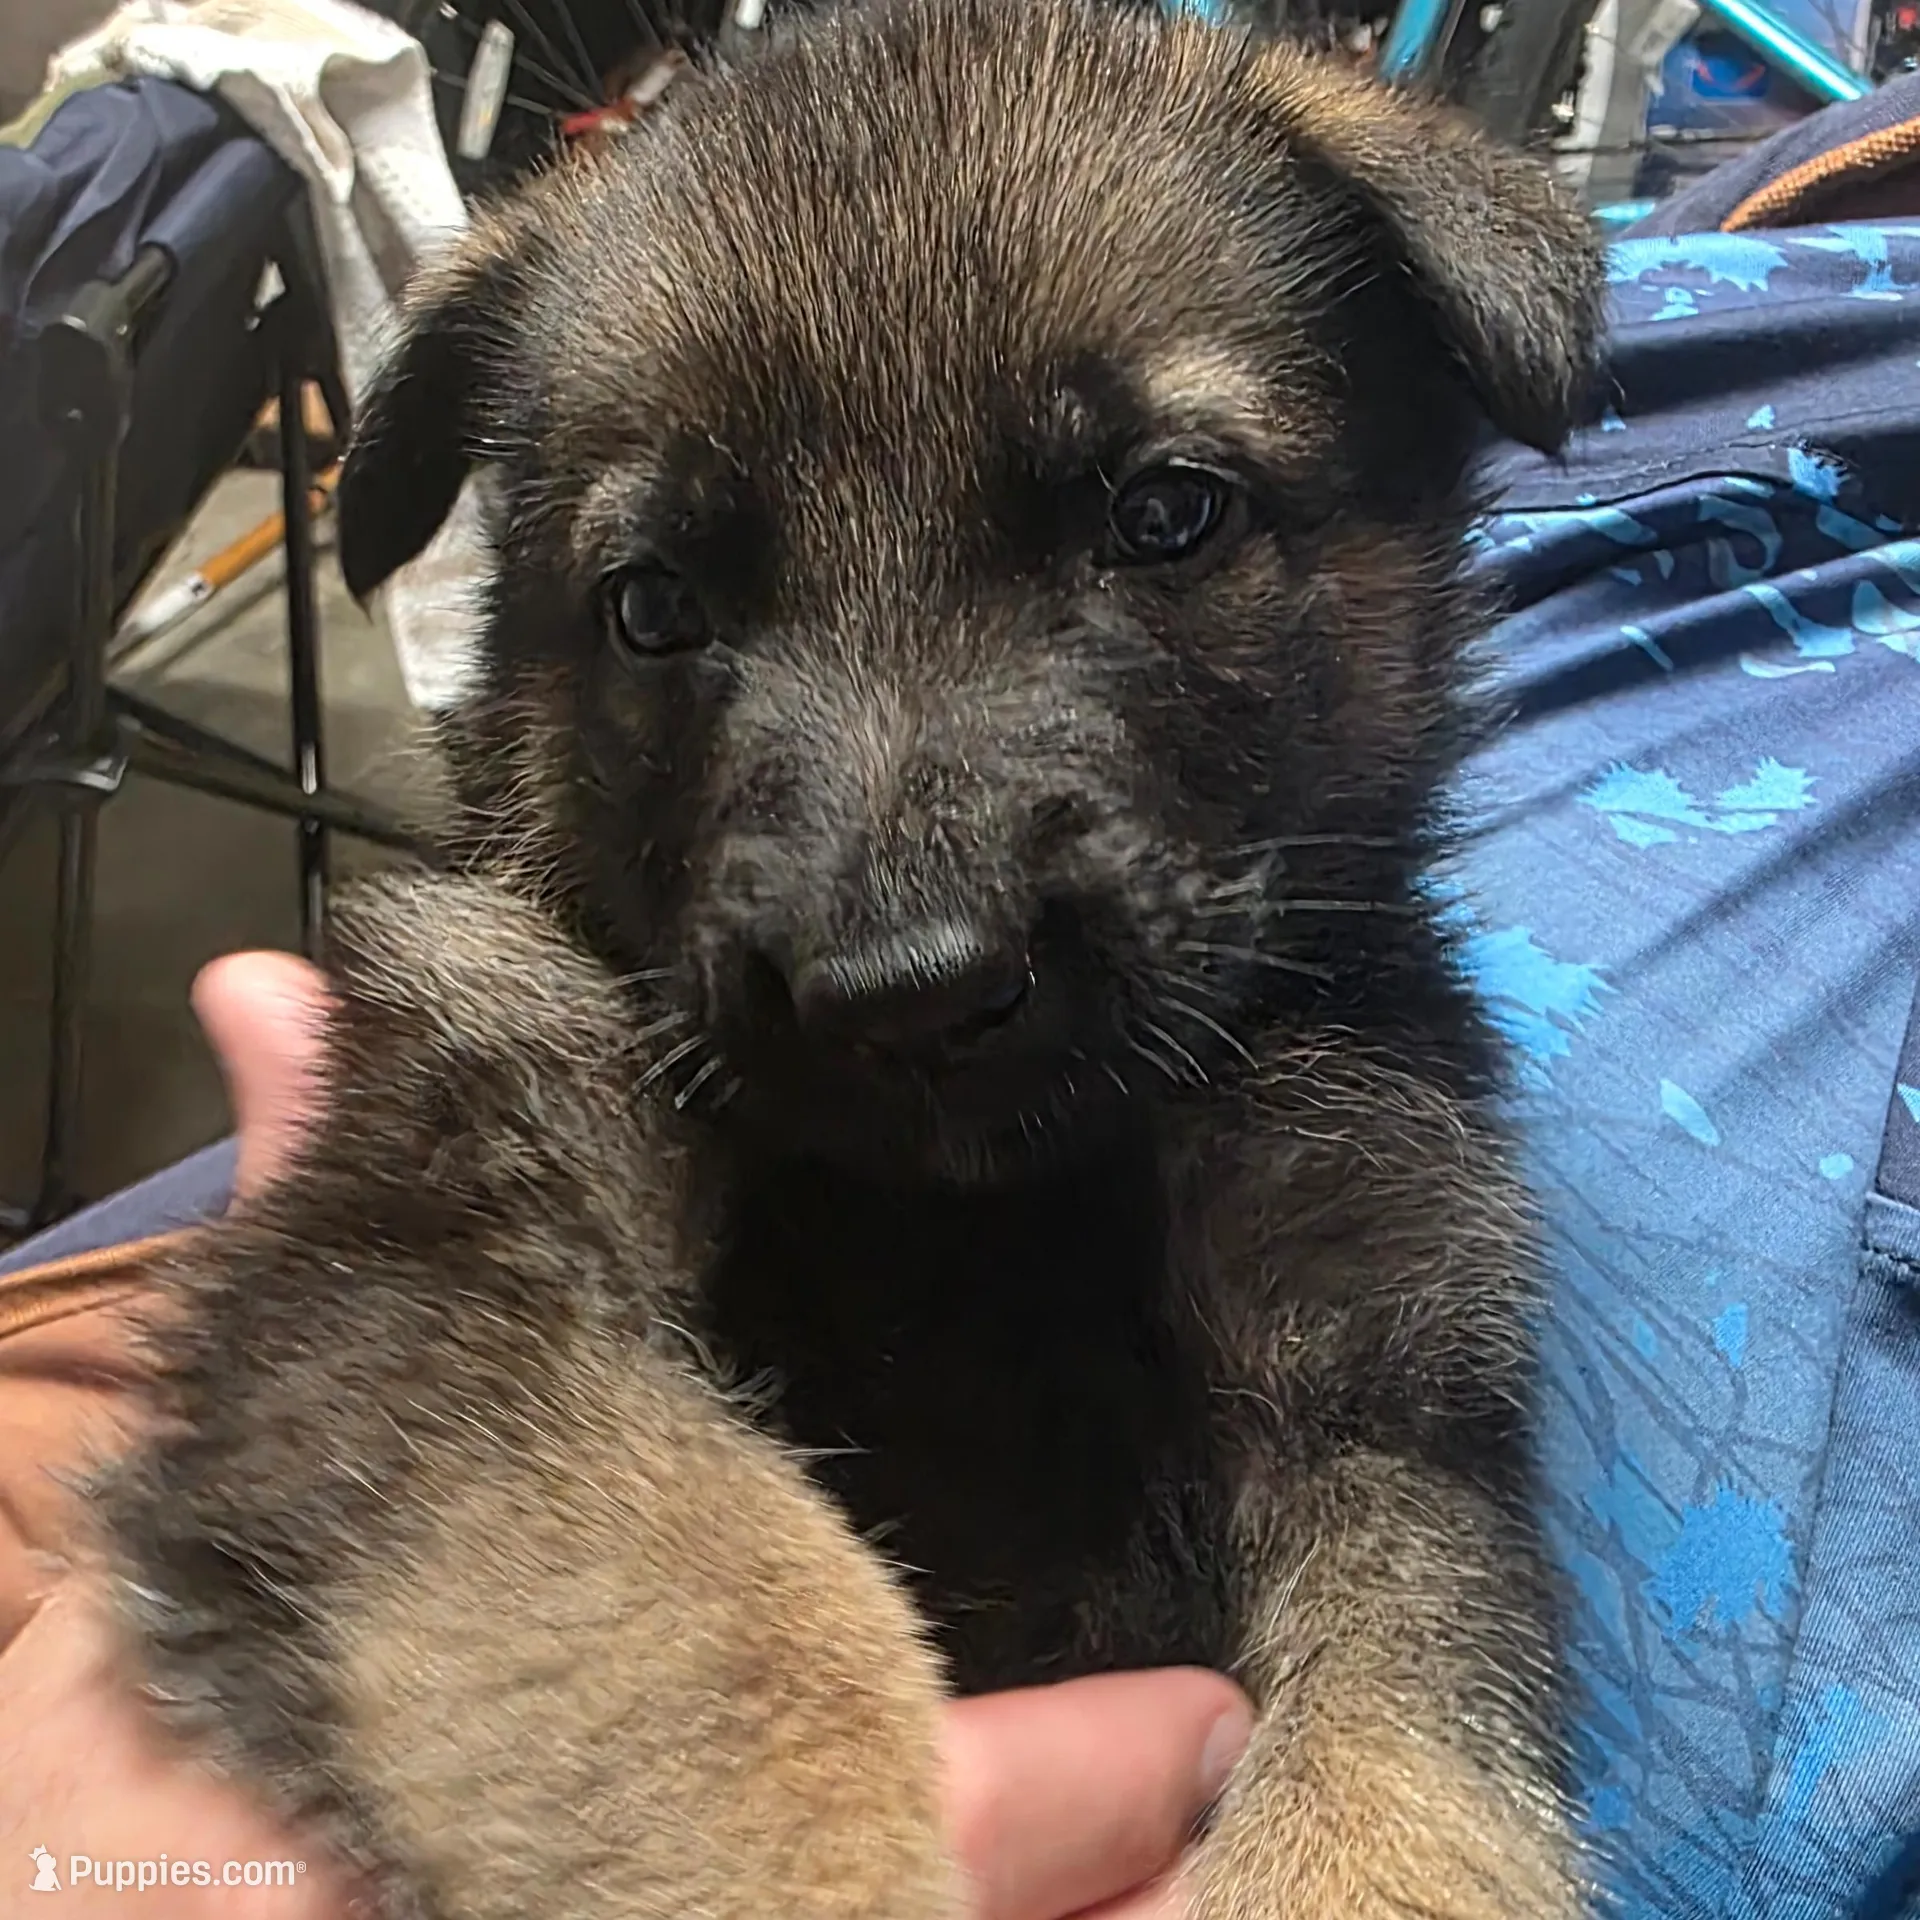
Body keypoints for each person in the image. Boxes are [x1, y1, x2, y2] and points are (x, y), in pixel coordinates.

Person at [12, 72, 1920, 1920]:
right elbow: (411, 1410)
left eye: (1166, 522)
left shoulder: (1344, 1044)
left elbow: (1401, 1564)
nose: (901, 929)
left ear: (1415, 499)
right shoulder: (568, 1022)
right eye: (663, 615)